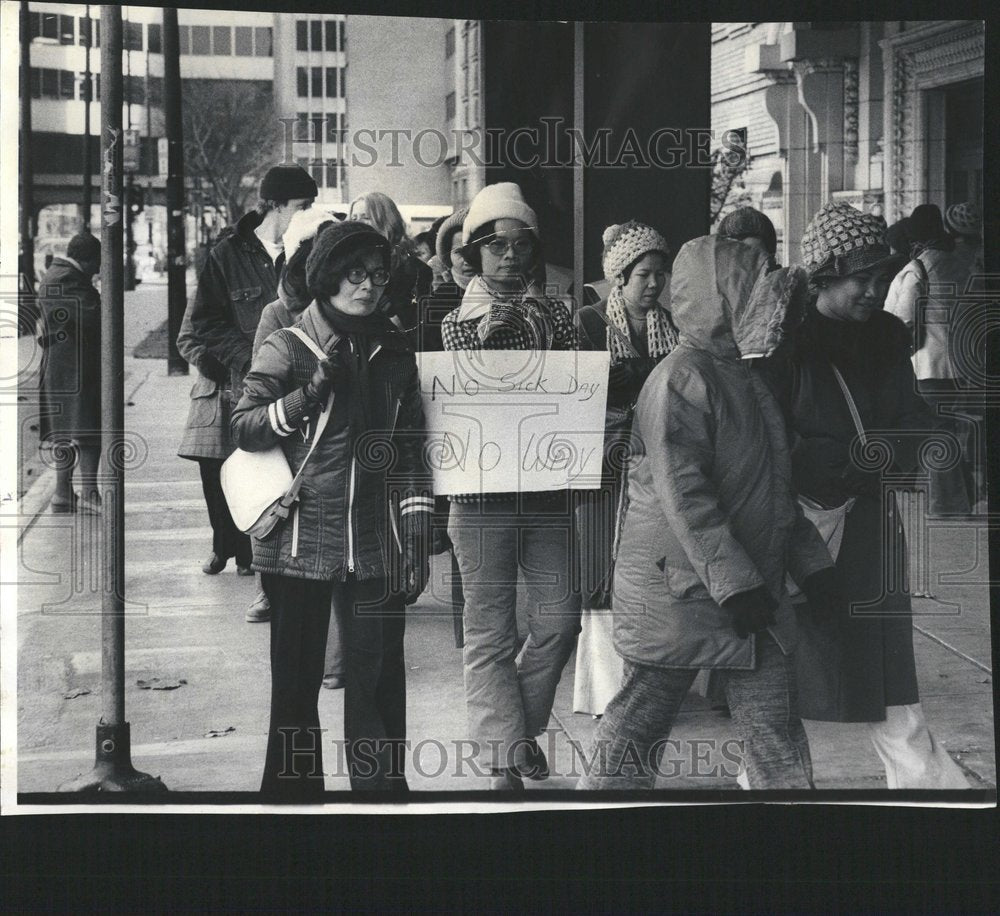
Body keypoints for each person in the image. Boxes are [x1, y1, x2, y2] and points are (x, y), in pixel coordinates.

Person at [578, 234, 834, 791]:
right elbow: (685, 496)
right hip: (681, 593)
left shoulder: (744, 374)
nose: (768, 306)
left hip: (739, 591)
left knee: (775, 728)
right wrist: (737, 584)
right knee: (637, 727)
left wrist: (813, 564)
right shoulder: (680, 379)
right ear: (719, 300)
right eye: (752, 292)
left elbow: (770, 489)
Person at [767, 201, 970, 789]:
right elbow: (774, 435)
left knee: (884, 655)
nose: (874, 290)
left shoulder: (884, 333)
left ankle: (924, 783)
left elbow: (905, 411)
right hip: (808, 523)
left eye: (881, 278)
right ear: (825, 275)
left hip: (871, 520)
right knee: (789, 660)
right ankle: (765, 778)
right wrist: (832, 460)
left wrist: (934, 434)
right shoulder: (788, 341)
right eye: (862, 279)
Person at [233, 221, 433, 797]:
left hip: (375, 542)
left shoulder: (394, 349)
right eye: (355, 274)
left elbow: (410, 448)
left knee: (377, 684)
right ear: (326, 277)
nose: (368, 286)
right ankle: (295, 807)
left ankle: (381, 802)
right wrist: (308, 394)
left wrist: (417, 533)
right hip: (299, 544)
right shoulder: (289, 346)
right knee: (295, 691)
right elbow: (244, 427)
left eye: (377, 274)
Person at [440, 183, 581, 792]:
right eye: (496, 244)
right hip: (478, 495)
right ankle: (505, 761)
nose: (510, 254)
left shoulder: (558, 314)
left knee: (559, 621)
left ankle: (515, 735)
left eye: (522, 244)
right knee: (491, 630)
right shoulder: (454, 321)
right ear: (474, 251)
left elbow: (571, 384)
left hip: (545, 491)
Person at [177, 164, 317, 623]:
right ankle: (264, 584)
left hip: (312, 386)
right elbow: (204, 324)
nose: (306, 214)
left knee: (307, 484)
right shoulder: (227, 255)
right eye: (301, 206)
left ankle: (304, 580)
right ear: (276, 205)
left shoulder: (312, 249)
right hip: (256, 389)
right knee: (266, 484)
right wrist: (252, 358)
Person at [572, 221, 679, 717]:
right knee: (600, 571)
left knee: (644, 571)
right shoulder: (590, 324)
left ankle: (642, 686)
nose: (654, 284)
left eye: (661, 273)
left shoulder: (673, 326)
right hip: (602, 466)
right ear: (619, 278)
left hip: (651, 466)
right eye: (644, 275)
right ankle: (602, 691)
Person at [883, 203, 975, 515]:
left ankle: (948, 504)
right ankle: (966, 494)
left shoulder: (917, 268)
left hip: (928, 364)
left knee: (935, 432)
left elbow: (904, 319)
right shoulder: (960, 262)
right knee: (945, 428)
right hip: (959, 364)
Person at [37, 233, 103, 515]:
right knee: (87, 430)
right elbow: (93, 316)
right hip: (75, 365)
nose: (98, 269)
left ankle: (63, 494)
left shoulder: (57, 275)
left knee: (65, 432)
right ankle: (88, 492)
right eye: (96, 263)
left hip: (62, 364)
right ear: (87, 259)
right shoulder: (66, 279)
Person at [348, 191, 432, 334]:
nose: (357, 223)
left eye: (365, 217)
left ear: (386, 221)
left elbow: (417, 327)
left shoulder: (412, 269)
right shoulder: (346, 264)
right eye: (354, 217)